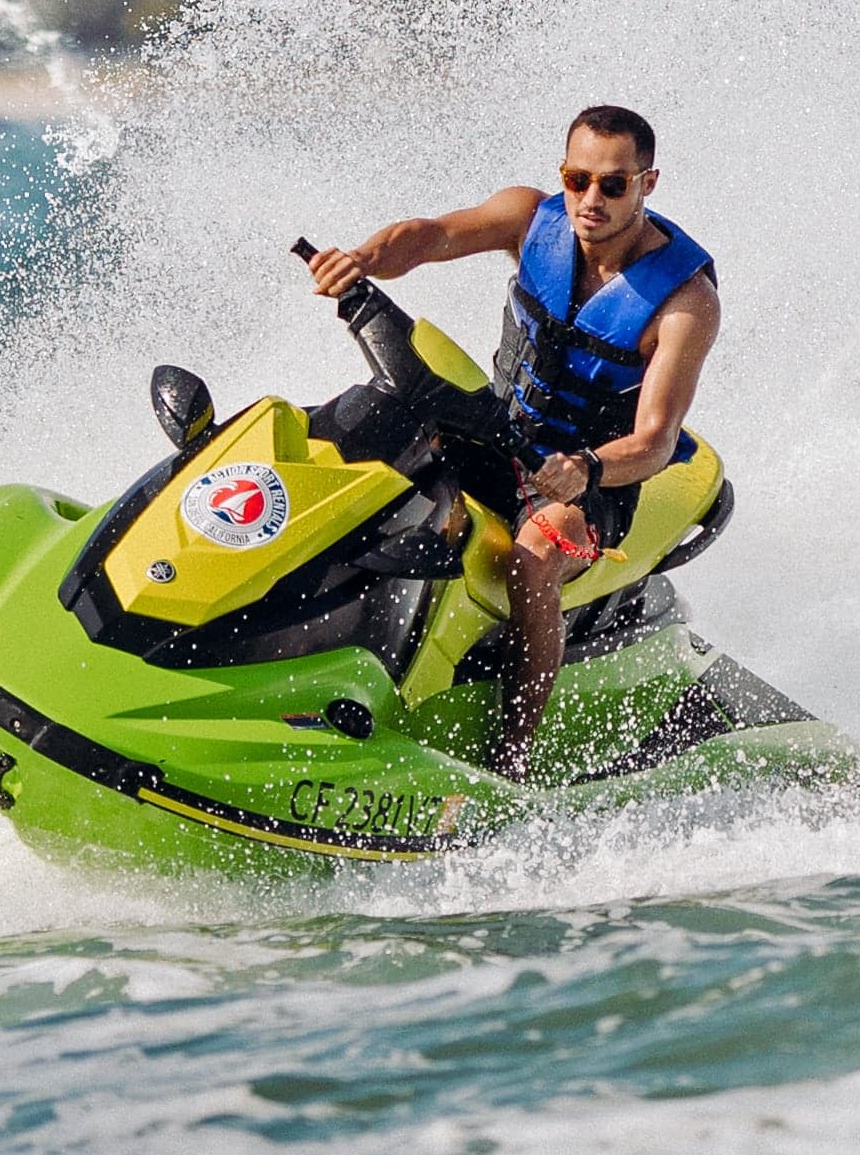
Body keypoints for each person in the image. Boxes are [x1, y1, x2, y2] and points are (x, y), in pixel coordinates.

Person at [304, 105, 720, 776]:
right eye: (576, 178)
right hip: (498, 435)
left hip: (590, 484)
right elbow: (427, 235)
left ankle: (513, 752)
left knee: (530, 558)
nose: (589, 199)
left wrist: (584, 467)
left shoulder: (684, 302)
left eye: (612, 184)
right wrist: (358, 260)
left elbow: (652, 438)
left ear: (647, 184)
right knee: (356, 427)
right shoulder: (532, 218)